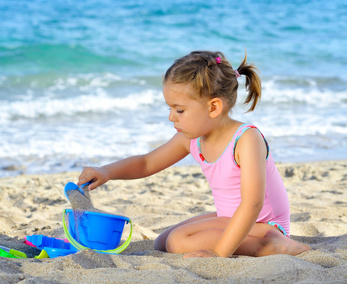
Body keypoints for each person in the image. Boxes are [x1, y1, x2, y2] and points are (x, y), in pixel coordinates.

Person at [77, 50, 310, 258]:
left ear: (213, 107)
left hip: (263, 224)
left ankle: (273, 246)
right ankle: (257, 243)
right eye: (169, 108)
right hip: (230, 215)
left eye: (179, 110)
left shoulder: (246, 139)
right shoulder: (193, 139)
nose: (171, 117)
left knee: (178, 242)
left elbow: (252, 203)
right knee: (162, 242)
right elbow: (147, 162)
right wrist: (106, 172)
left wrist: (218, 254)